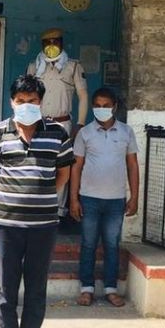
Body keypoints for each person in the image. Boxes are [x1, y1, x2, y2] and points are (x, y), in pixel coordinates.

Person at [0, 74, 74, 328]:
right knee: (7, 290)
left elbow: (64, 173)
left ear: (41, 102)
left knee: (35, 290)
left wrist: (40, 194)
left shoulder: (57, 133)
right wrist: (11, 194)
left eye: (32, 101)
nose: (26, 105)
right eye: (21, 101)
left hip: (44, 225)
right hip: (6, 224)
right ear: (11, 102)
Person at [69, 88, 139, 307]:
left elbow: (132, 165)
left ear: (114, 107)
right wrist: (73, 199)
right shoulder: (85, 133)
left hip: (116, 200)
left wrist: (134, 197)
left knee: (111, 245)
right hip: (88, 198)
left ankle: (111, 289)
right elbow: (76, 167)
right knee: (88, 244)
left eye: (106, 105)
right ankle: (86, 289)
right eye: (97, 105)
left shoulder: (126, 132)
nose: (101, 109)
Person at [26, 28, 87, 217]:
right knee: (37, 165)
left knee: (61, 167)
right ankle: (37, 208)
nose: (51, 45)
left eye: (55, 41)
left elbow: (83, 96)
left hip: (62, 124)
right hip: (38, 124)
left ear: (62, 43)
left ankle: (57, 211)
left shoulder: (73, 66)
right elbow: (27, 96)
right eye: (47, 42)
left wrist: (80, 124)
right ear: (42, 45)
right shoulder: (34, 67)